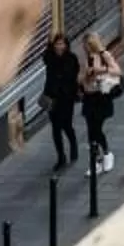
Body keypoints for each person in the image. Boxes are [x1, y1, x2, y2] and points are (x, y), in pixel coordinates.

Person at [78, 33, 124, 176]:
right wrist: (86, 76)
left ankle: (107, 154)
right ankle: (96, 162)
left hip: (102, 97)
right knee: (91, 131)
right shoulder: (85, 59)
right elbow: (82, 81)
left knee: (97, 129)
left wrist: (101, 70)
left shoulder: (104, 55)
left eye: (90, 44)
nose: (87, 47)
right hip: (89, 97)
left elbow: (118, 71)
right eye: (85, 44)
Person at [39, 31, 81, 171]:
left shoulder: (71, 58)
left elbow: (73, 76)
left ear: (66, 44)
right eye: (57, 44)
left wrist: (74, 93)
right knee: (56, 128)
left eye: (62, 44)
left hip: (67, 98)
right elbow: (44, 56)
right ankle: (61, 157)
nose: (59, 46)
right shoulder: (49, 57)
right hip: (52, 97)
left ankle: (73, 144)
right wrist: (49, 42)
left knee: (67, 125)